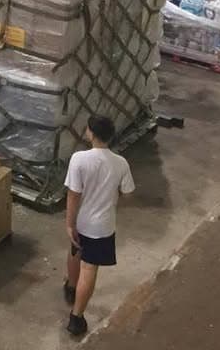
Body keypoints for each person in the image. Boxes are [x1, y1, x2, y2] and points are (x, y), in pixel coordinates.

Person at [63, 114, 135, 337]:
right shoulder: (120, 163)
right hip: (103, 226)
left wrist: (70, 224)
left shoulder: (79, 159)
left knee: (75, 251)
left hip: (82, 222)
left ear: (91, 133)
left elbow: (73, 194)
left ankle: (71, 288)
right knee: (89, 269)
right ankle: (76, 318)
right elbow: (128, 194)